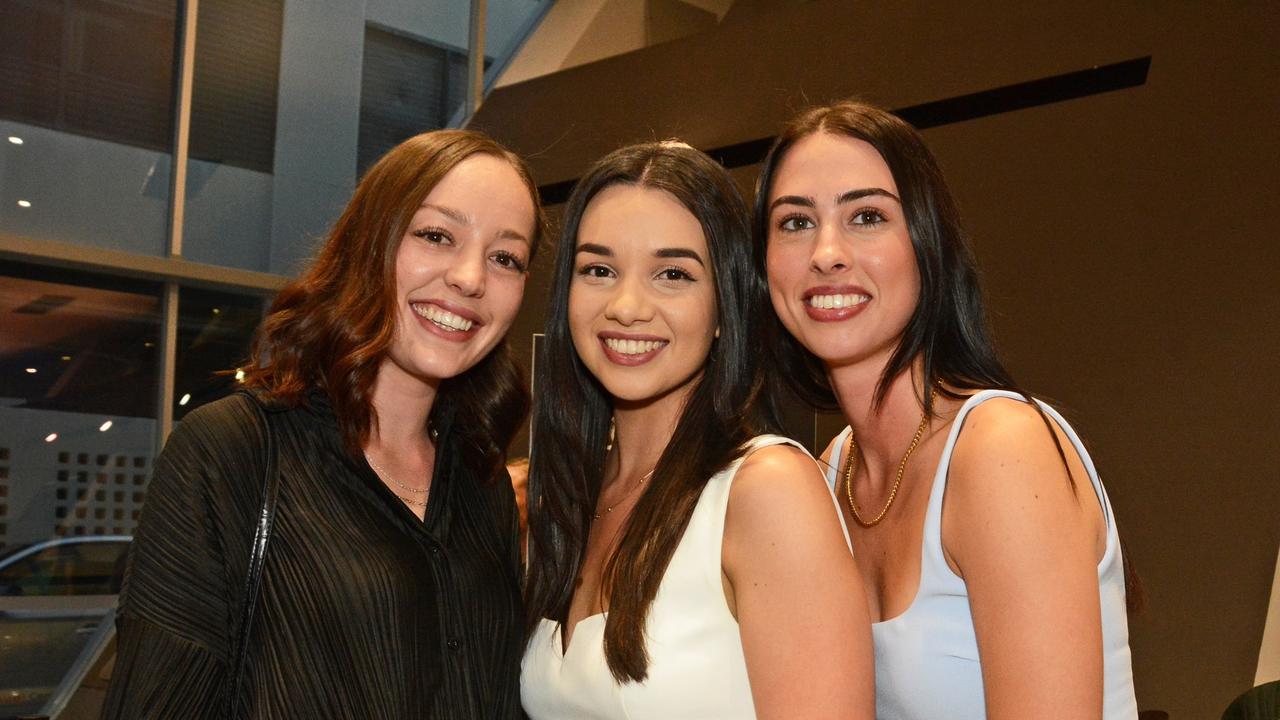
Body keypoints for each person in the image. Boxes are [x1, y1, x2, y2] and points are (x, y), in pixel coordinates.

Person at [102, 129, 543, 719]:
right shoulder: (232, 451)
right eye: (436, 235)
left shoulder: (480, 480)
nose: (470, 277)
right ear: (369, 245)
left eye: (505, 257)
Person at [753, 100, 1138, 719]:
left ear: (927, 243)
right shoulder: (834, 471)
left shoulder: (1001, 448)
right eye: (795, 223)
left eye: (867, 215)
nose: (826, 252)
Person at [521, 140, 873, 719]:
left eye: (673, 274)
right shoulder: (566, 498)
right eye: (599, 269)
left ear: (723, 307)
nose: (627, 306)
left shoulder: (765, 490)